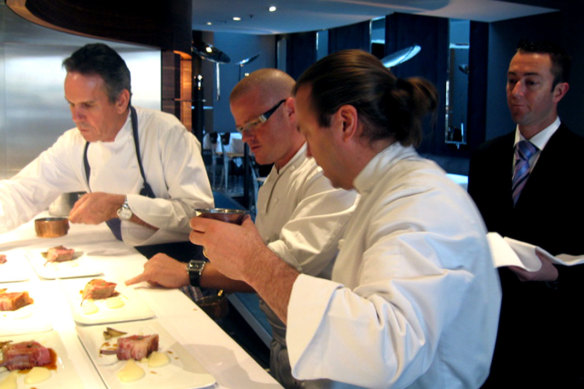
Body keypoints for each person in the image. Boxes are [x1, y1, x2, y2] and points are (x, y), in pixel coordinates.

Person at [189, 49, 502, 388]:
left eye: (308, 134)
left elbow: (383, 350)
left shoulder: (420, 202)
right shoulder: (382, 190)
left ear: (345, 123)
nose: (307, 151)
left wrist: (253, 262)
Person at [126, 68, 358, 388]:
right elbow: (259, 263)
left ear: (292, 110)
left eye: (254, 123)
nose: (246, 136)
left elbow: (278, 267)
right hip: (284, 339)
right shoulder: (273, 180)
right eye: (240, 127)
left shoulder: (325, 175)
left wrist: (190, 270)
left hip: (326, 351)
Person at [0, 43, 213, 247]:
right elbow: (21, 194)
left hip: (176, 262)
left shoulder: (166, 134)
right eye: (71, 104)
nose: (76, 117)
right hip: (124, 255)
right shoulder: (73, 144)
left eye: (88, 105)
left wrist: (121, 206)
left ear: (121, 101)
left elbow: (199, 216)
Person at [468, 40, 584, 388]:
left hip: (555, 339)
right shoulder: (487, 156)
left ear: (559, 90)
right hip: (489, 333)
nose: (516, 92)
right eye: (510, 80)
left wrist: (556, 275)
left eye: (531, 82)